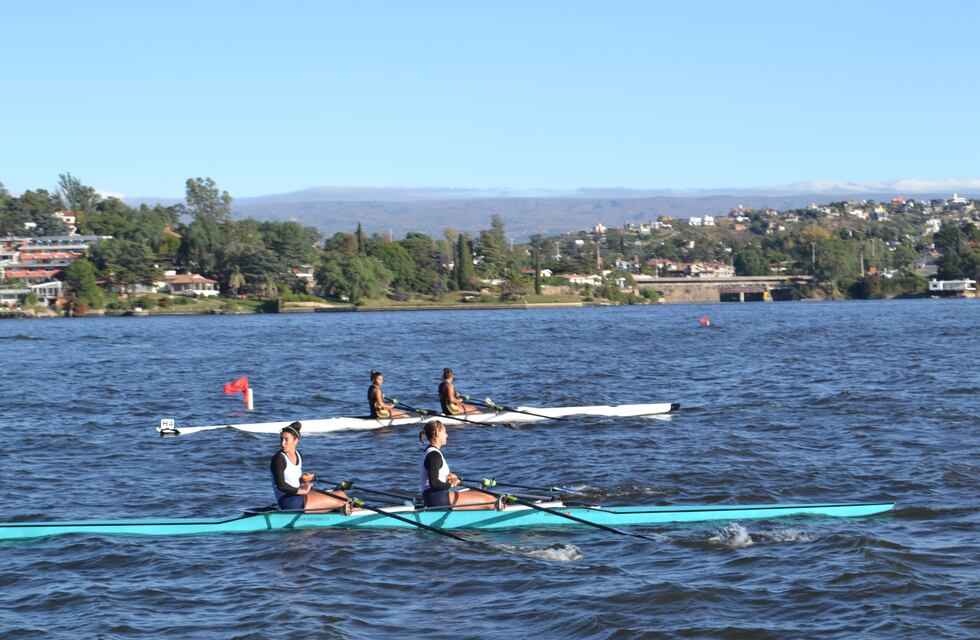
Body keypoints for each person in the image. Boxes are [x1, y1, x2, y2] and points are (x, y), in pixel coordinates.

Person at [270, 421, 355, 514]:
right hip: (289, 502)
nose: (282, 443)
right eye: (281, 439)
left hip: (298, 497)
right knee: (340, 498)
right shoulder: (279, 458)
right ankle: (352, 510)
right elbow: (281, 486)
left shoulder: (298, 455)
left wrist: (303, 480)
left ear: (296, 440)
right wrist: (303, 490)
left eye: (286, 439)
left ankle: (342, 508)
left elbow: (291, 481)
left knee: (339, 493)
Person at [418, 420, 503, 510]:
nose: (447, 435)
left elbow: (434, 476)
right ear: (437, 434)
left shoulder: (429, 452)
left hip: (434, 497)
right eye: (445, 432)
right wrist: (452, 484)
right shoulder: (434, 455)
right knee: (490, 500)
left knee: (483, 495)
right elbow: (434, 484)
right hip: (437, 500)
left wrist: (448, 476)